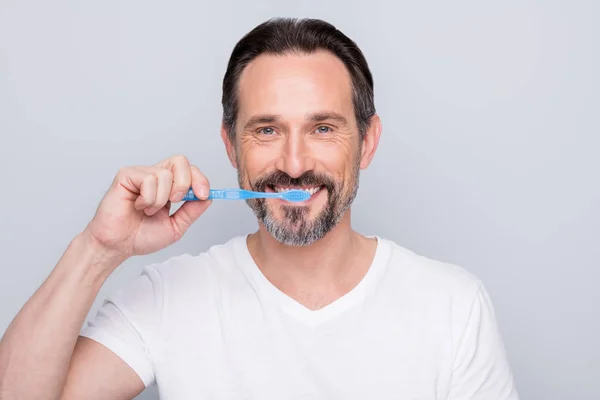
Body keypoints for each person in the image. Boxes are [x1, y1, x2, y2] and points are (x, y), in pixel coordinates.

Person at [0, 17, 519, 400]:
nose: (294, 164)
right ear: (231, 146)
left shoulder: (452, 306)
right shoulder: (169, 297)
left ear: (367, 142)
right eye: (266, 130)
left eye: (323, 128)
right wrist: (99, 249)